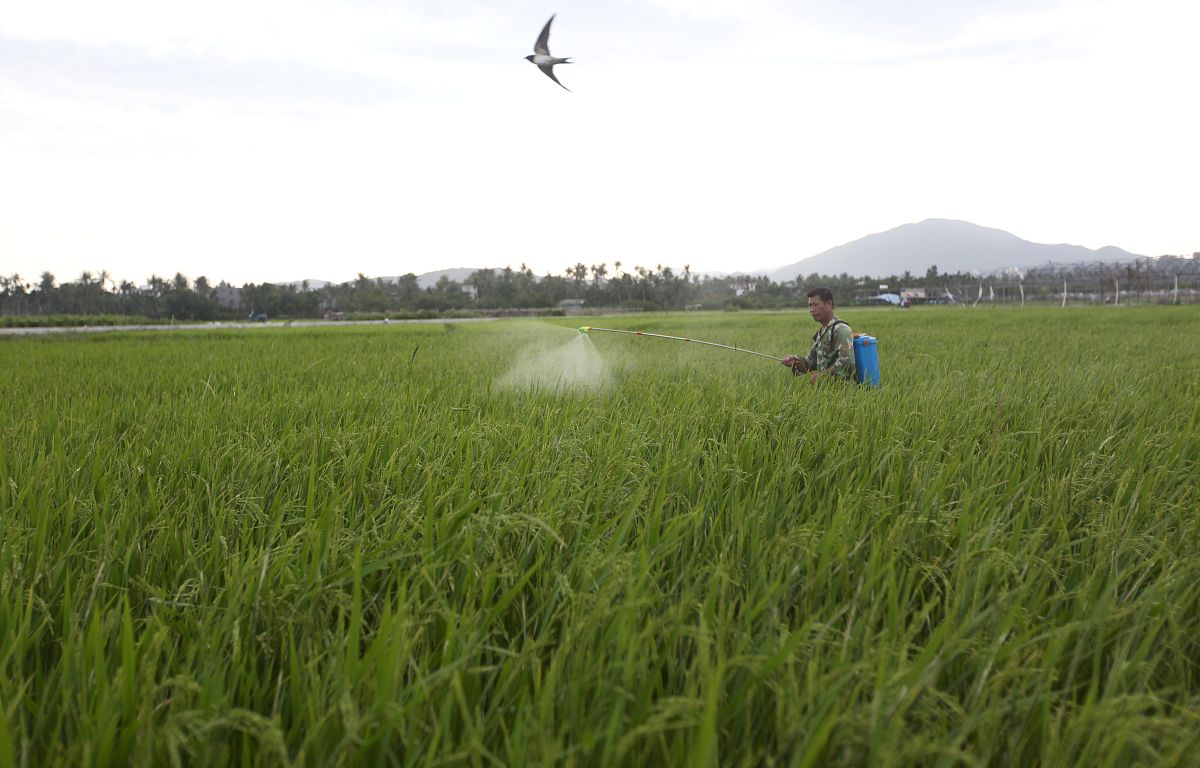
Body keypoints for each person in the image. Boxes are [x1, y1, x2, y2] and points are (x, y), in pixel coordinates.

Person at [781, 288, 855, 383]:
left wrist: (822, 376)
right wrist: (795, 361)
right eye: (810, 306)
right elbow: (811, 362)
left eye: (815, 305)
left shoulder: (841, 330)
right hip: (826, 389)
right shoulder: (822, 331)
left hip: (844, 391)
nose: (811, 309)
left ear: (829, 304)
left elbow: (847, 362)